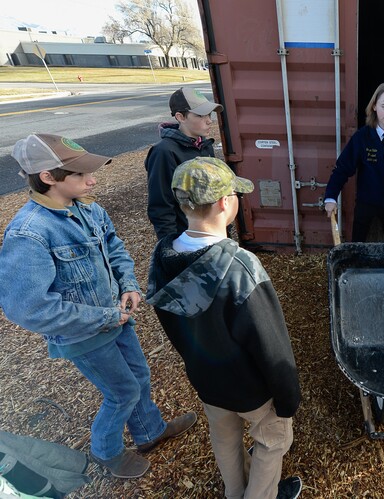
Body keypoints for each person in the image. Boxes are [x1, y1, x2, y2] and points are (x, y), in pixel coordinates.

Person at [0, 134, 196, 479]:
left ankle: (149, 432)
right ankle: (106, 451)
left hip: (115, 318)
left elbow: (114, 247)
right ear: (48, 177)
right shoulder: (29, 233)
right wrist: (106, 314)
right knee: (121, 392)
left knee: (139, 377)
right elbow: (28, 308)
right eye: (80, 175)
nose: (92, 180)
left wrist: (128, 285)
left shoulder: (89, 208)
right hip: (84, 334)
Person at [146, 157, 303, 499]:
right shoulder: (239, 267)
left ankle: (235, 492)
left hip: (206, 379)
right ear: (223, 202)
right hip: (252, 389)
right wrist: (288, 398)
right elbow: (271, 345)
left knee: (226, 440)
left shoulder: (162, 257)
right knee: (274, 440)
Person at [324, 82, 384, 242]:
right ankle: (358, 266)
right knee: (358, 244)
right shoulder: (362, 137)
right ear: (374, 106)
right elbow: (342, 168)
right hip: (366, 202)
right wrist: (331, 197)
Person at [145, 86, 222, 240]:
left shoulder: (204, 145)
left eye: (209, 114)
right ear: (180, 117)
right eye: (201, 115)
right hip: (188, 239)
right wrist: (171, 247)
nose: (209, 121)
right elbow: (161, 206)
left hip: (212, 234)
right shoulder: (164, 152)